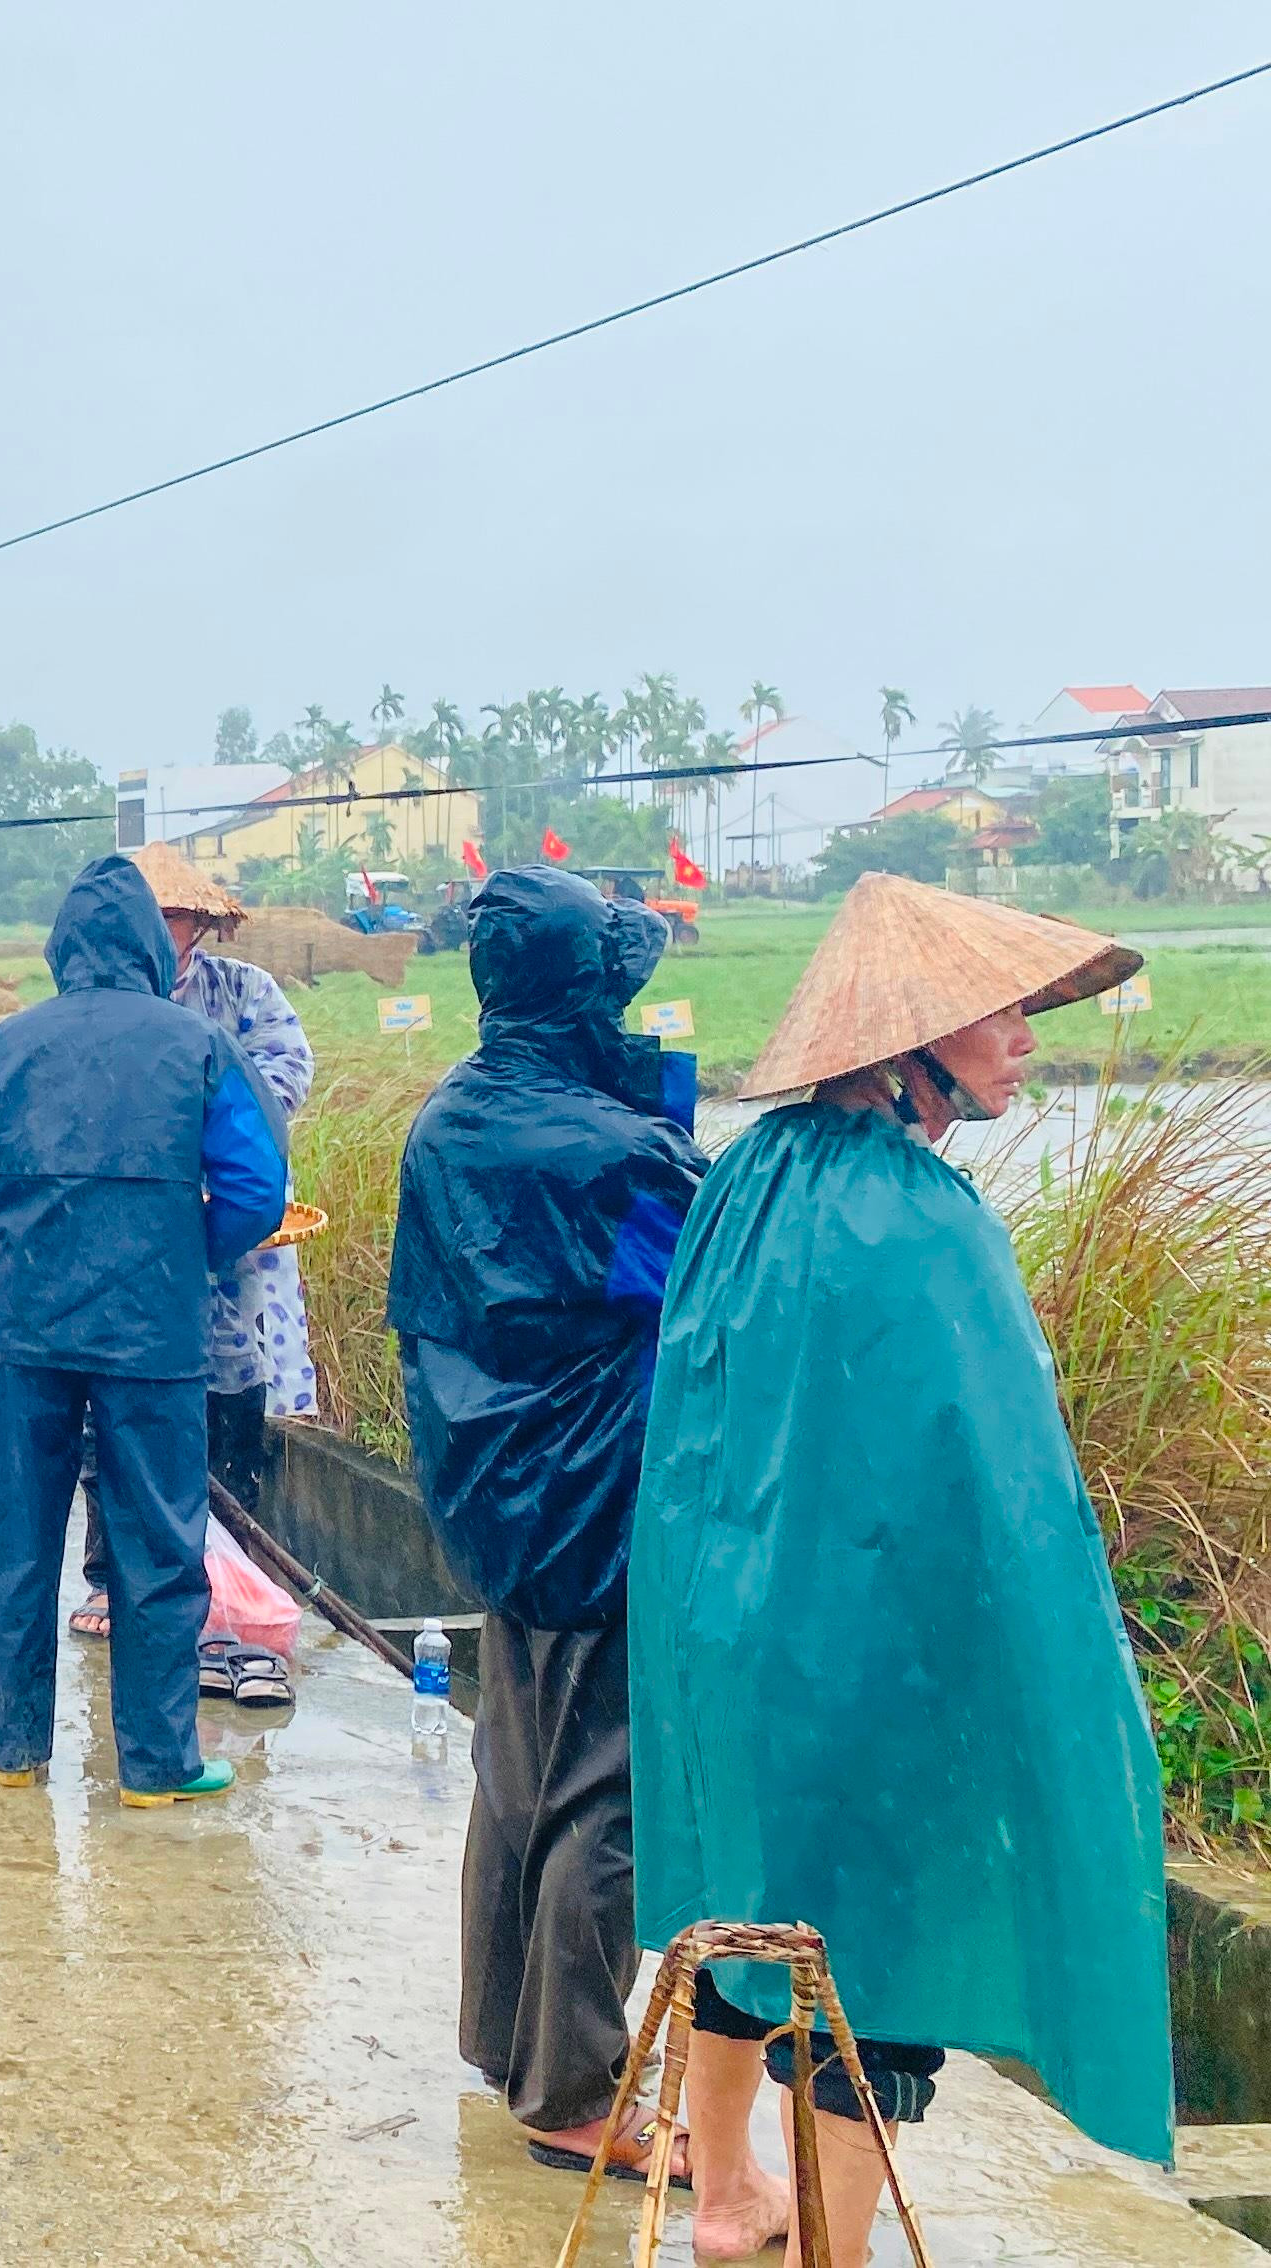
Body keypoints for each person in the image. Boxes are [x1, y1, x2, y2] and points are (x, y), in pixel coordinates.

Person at [633, 873, 1170, 2263]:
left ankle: (731, 2196)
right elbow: (1004, 1499)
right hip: (857, 1650)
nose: (1027, 1039)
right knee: (872, 1960)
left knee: (748, 1902)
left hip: (723, 1623)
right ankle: (834, 2246)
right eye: (1002, 1014)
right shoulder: (922, 1221)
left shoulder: (746, 1176)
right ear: (908, 1045)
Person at [387, 869, 704, 2185]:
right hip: (602, 1501)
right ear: (586, 994)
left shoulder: (445, 1121)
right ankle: (575, 2090)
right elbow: (698, 1287)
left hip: (492, 1497)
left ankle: (503, 2040)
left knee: (520, 1771)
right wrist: (664, 1105)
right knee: (610, 1797)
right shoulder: (619, 1153)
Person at [0, 853, 287, 1805]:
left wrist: (21, 1255)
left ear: (59, 948)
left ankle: (14, 1755)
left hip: (26, 1333)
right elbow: (257, 1190)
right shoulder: (199, 1046)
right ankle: (156, 1766)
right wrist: (187, 1251)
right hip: (154, 1333)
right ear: (148, 946)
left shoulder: (4, 1046)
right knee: (158, 1546)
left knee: (16, 1544)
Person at [71, 845, 314, 1637]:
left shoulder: (243, 992)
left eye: (173, 917)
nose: (161, 931)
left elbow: (282, 1073)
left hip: (225, 1230)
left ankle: (241, 1565)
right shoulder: (93, 1001)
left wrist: (211, 1143)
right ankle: (110, 1576)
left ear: (197, 924)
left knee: (228, 1383)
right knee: (111, 1403)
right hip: (129, 1234)